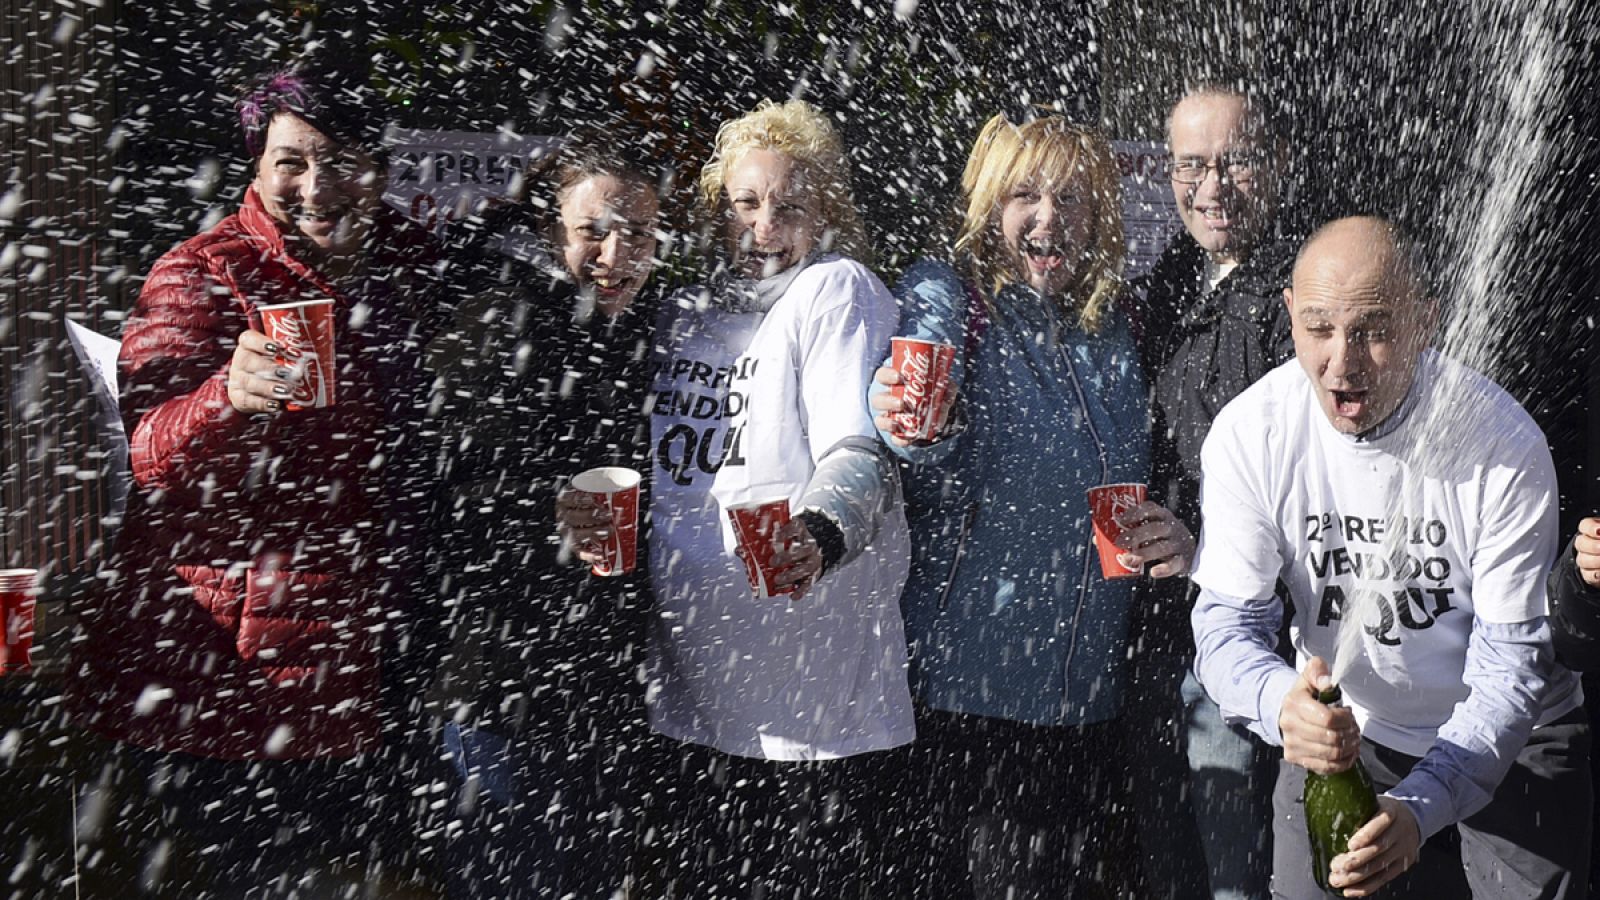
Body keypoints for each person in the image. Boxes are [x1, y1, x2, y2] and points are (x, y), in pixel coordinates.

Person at [65, 56, 449, 898]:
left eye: (343, 160)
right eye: (293, 162)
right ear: (257, 166)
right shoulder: (200, 271)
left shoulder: (414, 267)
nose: (319, 185)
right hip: (237, 671)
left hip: (369, 648)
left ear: (378, 169)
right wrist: (225, 400)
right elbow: (148, 452)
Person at [562, 98, 912, 897]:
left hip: (815, 706)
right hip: (691, 694)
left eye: (789, 206)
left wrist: (821, 532)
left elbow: (860, 450)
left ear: (825, 214)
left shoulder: (835, 292)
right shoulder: (683, 311)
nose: (763, 227)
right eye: (745, 205)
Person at [1191, 216, 1591, 898]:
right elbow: (1225, 626)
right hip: (1348, 739)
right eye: (1317, 328)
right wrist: (1279, 705)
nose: (1341, 362)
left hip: (1519, 743)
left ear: (1425, 321)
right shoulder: (1249, 433)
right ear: (1289, 314)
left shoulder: (1501, 443)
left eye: (1373, 331)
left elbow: (1512, 665)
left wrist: (1422, 804)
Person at [868, 113, 1194, 899]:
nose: (1050, 218)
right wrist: (908, 423)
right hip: (968, 701)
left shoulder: (1117, 326)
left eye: (1073, 199)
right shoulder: (952, 298)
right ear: (989, 207)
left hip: (1087, 705)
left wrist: (1175, 527)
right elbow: (920, 432)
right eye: (1025, 195)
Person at [432, 128, 665, 899]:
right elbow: (450, 507)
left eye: (636, 232)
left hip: (605, 697)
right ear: (547, 231)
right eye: (592, 230)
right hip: (501, 692)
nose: (615, 252)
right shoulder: (499, 325)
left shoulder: (648, 333)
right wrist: (546, 515)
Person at [1127, 81, 1295, 900]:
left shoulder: (1297, 297)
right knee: (1169, 861)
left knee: (1236, 874)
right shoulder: (1165, 282)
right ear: (1168, 175)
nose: (1214, 184)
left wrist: (1207, 549)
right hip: (1156, 635)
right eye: (1193, 165)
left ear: (1279, 165)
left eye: (1238, 161)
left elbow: (1309, 485)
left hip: (1248, 641)